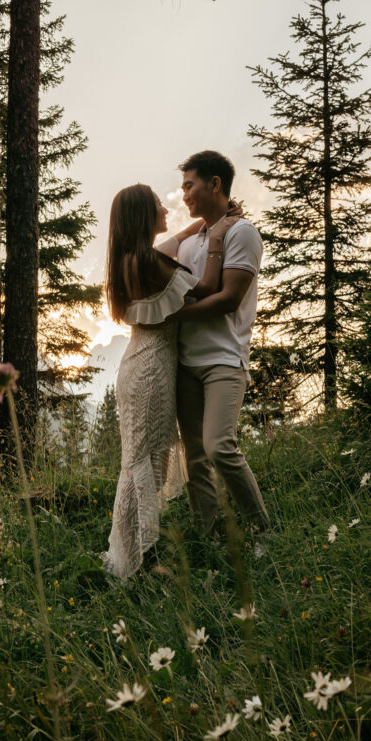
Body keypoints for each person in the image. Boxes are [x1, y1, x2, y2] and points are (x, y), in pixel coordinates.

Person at [102, 183, 239, 579]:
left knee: (142, 463)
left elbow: (174, 241)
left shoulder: (132, 259)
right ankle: (130, 564)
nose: (167, 208)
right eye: (159, 204)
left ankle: (128, 556)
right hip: (152, 370)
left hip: (139, 365)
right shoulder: (150, 263)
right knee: (144, 464)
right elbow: (210, 288)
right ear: (145, 215)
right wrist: (214, 238)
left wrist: (209, 219)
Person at [155, 150, 270, 537]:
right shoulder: (193, 243)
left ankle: (261, 530)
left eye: (189, 185)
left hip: (224, 359)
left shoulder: (243, 232)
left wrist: (176, 315)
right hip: (186, 363)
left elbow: (228, 299)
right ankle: (208, 535)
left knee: (220, 446)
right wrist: (197, 230)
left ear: (215, 183)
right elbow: (154, 256)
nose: (183, 194)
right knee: (195, 457)